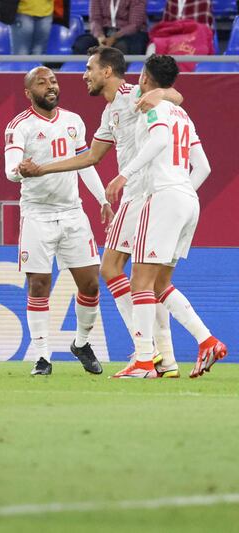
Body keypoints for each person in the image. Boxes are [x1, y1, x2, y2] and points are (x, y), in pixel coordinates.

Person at [18, 47, 184, 377]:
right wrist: (44, 169)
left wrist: (161, 92)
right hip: (134, 197)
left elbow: (176, 96)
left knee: (133, 276)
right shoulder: (110, 112)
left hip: (149, 195)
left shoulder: (132, 92)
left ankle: (149, 353)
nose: (84, 75)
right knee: (129, 275)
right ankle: (157, 355)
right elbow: (90, 157)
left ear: (106, 72)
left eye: (89, 68)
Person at [104, 55, 226, 378]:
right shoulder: (183, 114)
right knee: (161, 284)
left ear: (144, 77)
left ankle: (145, 361)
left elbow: (158, 140)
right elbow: (204, 167)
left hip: (163, 197)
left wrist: (124, 175)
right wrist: (183, 189)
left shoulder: (152, 108)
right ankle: (206, 341)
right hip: (188, 199)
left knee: (141, 281)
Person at [4, 67, 113, 377]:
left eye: (53, 81)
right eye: (42, 83)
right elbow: (10, 168)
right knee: (39, 284)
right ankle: (41, 357)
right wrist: (21, 170)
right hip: (37, 214)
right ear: (28, 93)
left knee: (91, 283)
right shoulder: (18, 127)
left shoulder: (72, 121)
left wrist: (102, 198)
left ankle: (81, 343)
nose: (50, 86)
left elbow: (84, 163)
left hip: (72, 213)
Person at [71, 0, 149, 55]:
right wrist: (100, 36)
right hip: (104, 31)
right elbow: (94, 19)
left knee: (121, 47)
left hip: (128, 34)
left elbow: (134, 25)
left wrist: (114, 37)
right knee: (82, 44)